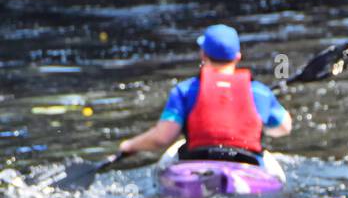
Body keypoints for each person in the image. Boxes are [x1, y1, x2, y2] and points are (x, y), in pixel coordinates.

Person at [118, 24, 292, 166]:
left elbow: (162, 138)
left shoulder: (186, 90)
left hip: (196, 163)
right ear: (238, 56)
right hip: (246, 164)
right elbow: (284, 128)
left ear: (203, 54)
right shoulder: (259, 91)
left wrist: (130, 145)